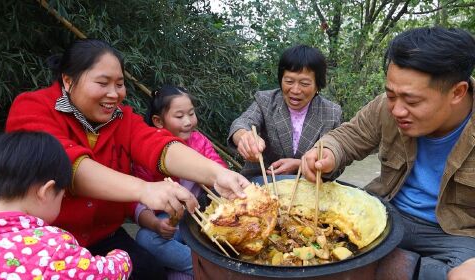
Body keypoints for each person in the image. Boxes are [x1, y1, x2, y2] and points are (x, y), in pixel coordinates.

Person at [5, 39, 249, 279]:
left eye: (120, 84)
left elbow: (158, 145)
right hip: (45, 239)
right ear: (68, 81)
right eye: (103, 83)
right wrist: (143, 189)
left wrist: (218, 174)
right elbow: (67, 167)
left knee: (149, 272)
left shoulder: (121, 118)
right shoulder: (32, 108)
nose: (114, 94)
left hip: (104, 237)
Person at [302, 27, 475, 280]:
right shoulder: (387, 106)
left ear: (457, 92)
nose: (398, 110)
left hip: (456, 235)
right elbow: (349, 136)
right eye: (391, 95)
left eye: (412, 101)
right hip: (387, 212)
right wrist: (327, 151)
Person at [0, 131, 132, 279]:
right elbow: (105, 274)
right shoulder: (54, 247)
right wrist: (121, 256)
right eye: (62, 195)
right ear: (46, 191)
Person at [132, 85, 227, 279]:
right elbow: (136, 200)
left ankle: (202, 270)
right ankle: (211, 270)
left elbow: (219, 169)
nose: (188, 122)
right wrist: (155, 224)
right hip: (170, 223)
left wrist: (216, 178)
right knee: (145, 238)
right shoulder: (146, 151)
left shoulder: (199, 141)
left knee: (176, 275)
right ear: (158, 121)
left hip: (200, 217)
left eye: (191, 114)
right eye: (179, 116)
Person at [228, 44, 342, 178]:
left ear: (318, 85)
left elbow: (336, 162)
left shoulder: (331, 113)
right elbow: (243, 122)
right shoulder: (266, 101)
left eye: (304, 84)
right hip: (262, 183)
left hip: (309, 187)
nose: (295, 90)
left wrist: (301, 164)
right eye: (289, 81)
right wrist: (243, 136)